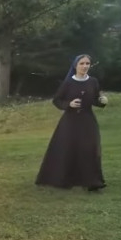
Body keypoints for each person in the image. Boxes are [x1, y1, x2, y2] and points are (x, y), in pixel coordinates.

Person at [35, 54, 108, 191]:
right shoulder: (68, 82)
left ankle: (92, 182)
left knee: (89, 149)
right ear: (75, 65)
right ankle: (64, 179)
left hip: (87, 120)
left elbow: (95, 99)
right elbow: (57, 100)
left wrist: (102, 102)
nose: (85, 66)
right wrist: (69, 104)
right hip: (70, 121)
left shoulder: (93, 81)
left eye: (87, 63)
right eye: (82, 63)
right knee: (68, 149)